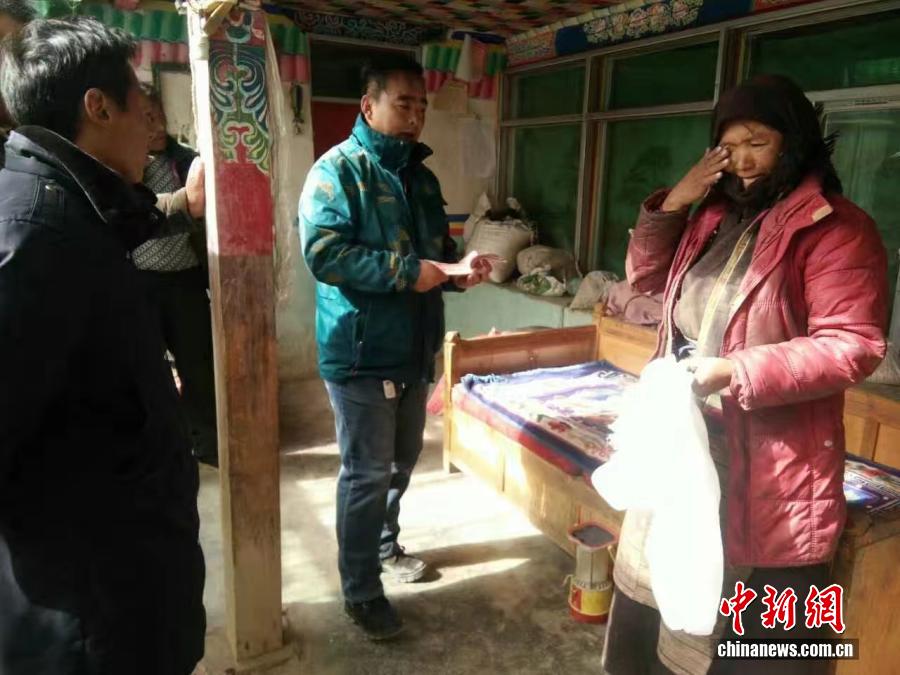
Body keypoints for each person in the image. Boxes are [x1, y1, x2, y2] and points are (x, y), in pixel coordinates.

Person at [602, 74, 888, 675]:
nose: (742, 160)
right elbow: (646, 279)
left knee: (761, 643)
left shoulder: (836, 228)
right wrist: (674, 203)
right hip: (688, 445)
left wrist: (735, 370)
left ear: (794, 141)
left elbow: (852, 345)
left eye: (758, 142)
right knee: (662, 603)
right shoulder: (711, 215)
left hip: (774, 460)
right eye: (728, 146)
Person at [0, 18, 205, 675]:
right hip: (91, 615)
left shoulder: (68, 204)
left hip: (124, 581)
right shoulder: (34, 234)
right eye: (140, 98)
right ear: (99, 106)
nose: (150, 119)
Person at [299, 55, 489, 640]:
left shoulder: (421, 178)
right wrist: (410, 272)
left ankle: (384, 546)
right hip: (359, 351)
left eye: (421, 106)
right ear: (369, 105)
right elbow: (324, 254)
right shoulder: (337, 171)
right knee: (366, 473)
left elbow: (437, 253)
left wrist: (459, 271)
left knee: (402, 462)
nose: (414, 116)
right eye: (403, 103)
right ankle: (360, 590)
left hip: (414, 346)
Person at [135, 85, 218, 468]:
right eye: (145, 118)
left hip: (185, 281)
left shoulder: (187, 161)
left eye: (158, 116)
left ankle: (208, 445)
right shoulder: (122, 169)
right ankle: (162, 446)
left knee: (198, 368)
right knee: (147, 372)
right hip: (140, 286)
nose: (155, 126)